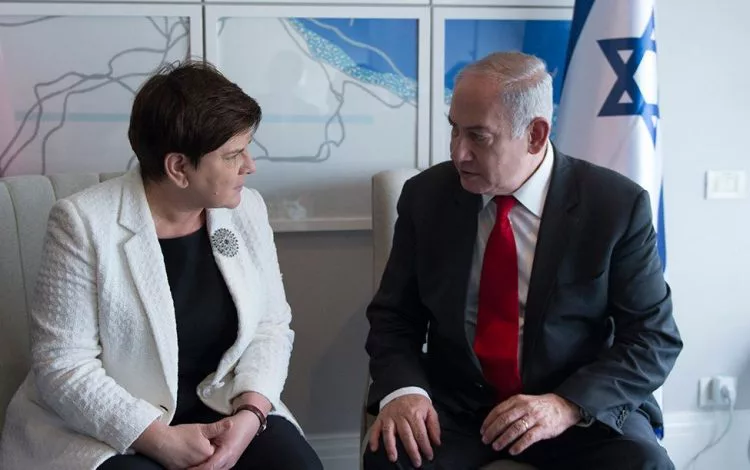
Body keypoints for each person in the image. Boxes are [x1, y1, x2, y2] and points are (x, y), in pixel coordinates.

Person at [363, 51, 683, 470]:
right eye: (454, 130)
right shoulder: (427, 196)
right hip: (459, 406)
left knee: (644, 464)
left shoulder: (614, 207)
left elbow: (653, 337)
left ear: (535, 134)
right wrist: (405, 391)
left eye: (478, 136)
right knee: (390, 457)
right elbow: (394, 316)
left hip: (571, 409)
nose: (458, 153)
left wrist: (566, 405)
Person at [0, 61, 323, 470]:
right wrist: (158, 439)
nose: (250, 165)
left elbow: (270, 326)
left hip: (224, 407)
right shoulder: (83, 223)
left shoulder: (246, 211)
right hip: (112, 429)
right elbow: (62, 365)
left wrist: (251, 414)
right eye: (233, 155)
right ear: (179, 167)